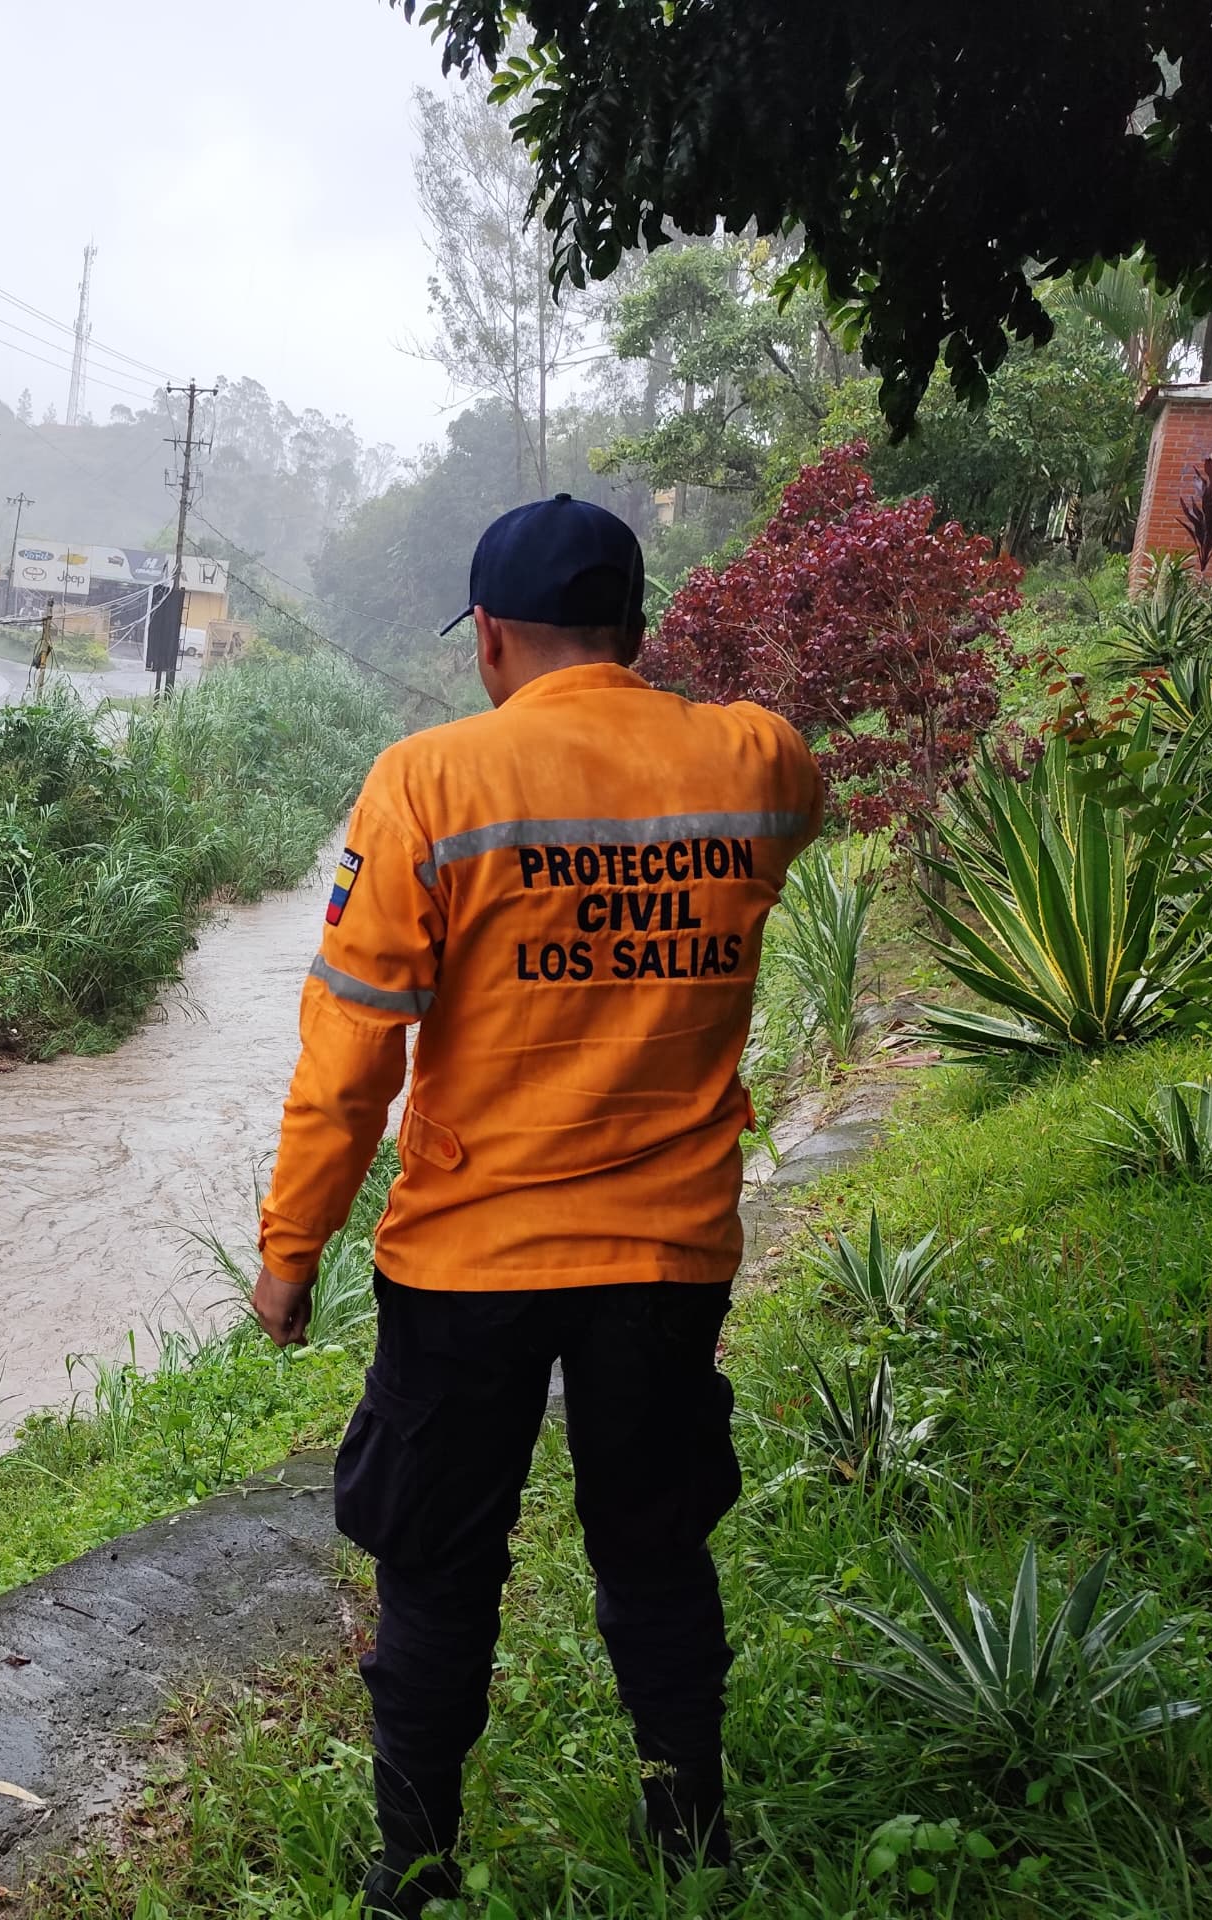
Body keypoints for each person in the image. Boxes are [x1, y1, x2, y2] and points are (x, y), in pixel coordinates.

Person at [250, 495, 822, 1916]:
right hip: (668, 1258)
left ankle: (416, 1872)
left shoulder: (430, 784)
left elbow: (351, 1052)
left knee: (439, 1571)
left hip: (467, 1267)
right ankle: (694, 1831)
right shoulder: (755, 764)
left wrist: (289, 1248)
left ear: (490, 637)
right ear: (637, 630)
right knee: (654, 1543)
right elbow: (790, 812)